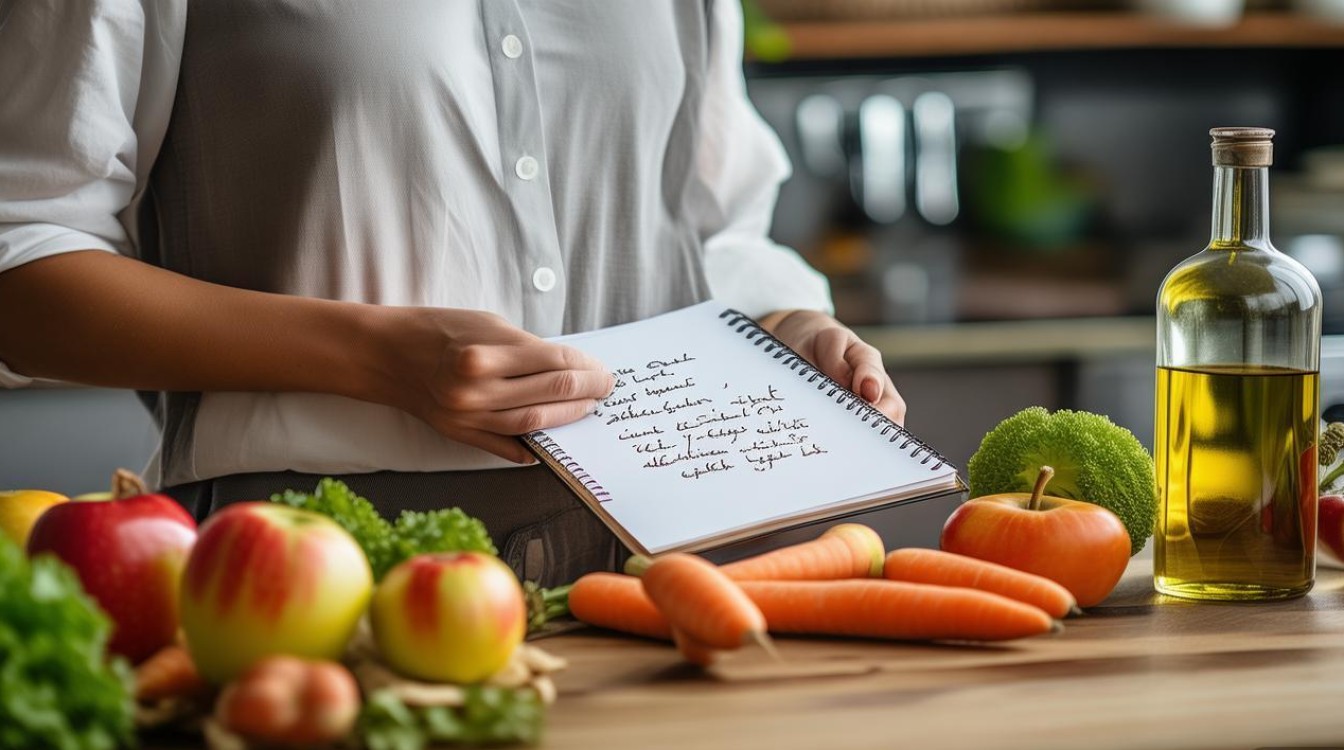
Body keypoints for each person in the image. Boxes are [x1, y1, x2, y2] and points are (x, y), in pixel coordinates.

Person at [0, 1, 905, 585]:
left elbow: (717, 226)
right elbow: (24, 262)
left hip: (687, 570)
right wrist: (373, 357)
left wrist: (785, 323)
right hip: (314, 571)